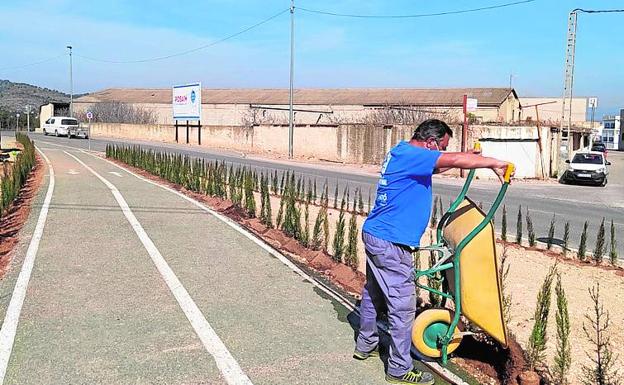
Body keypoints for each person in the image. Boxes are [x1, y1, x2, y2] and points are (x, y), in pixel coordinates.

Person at [353, 119, 510, 385]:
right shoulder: (413, 155)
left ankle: (365, 344)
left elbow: (438, 167)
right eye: (442, 147)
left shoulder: (402, 152)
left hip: (377, 235)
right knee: (402, 308)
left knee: (374, 293)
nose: (442, 153)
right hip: (391, 242)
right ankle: (399, 370)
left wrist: (464, 158)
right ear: (430, 143)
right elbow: (453, 161)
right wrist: (494, 163)